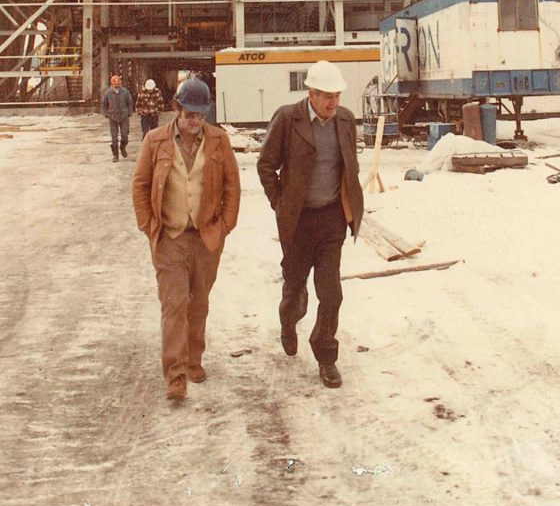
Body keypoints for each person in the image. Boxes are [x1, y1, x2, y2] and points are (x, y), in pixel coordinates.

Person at [132, 77, 241, 401]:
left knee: (199, 303)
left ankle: (194, 359)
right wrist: (149, 226)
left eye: (200, 115)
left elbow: (232, 187)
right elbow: (140, 185)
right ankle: (176, 375)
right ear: (177, 110)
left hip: (206, 238)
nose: (195, 121)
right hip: (171, 238)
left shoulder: (219, 141)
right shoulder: (155, 141)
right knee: (174, 305)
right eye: (189, 114)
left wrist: (224, 227)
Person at [257, 60, 364, 389]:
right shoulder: (289, 118)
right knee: (294, 289)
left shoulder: (344, 120)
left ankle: (326, 355)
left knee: (331, 294)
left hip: (331, 218)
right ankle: (288, 322)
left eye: (337, 96)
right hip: (298, 222)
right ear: (312, 94)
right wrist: (281, 204)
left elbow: (350, 167)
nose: (334, 103)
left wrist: (349, 207)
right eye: (327, 96)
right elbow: (266, 166)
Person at [101, 74, 133, 162]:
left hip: (124, 116)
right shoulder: (108, 93)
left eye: (118, 83)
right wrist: (105, 113)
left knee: (124, 135)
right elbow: (104, 104)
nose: (117, 85)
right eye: (115, 83)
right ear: (112, 83)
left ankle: (123, 147)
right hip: (112, 117)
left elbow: (130, 102)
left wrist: (129, 112)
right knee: (114, 137)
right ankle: (115, 155)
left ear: (120, 82)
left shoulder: (125, 92)